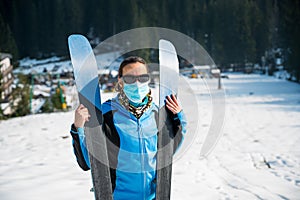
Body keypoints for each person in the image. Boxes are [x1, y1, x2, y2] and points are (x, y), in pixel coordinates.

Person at [70, 56, 187, 200]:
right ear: (120, 81)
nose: (137, 84)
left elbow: (169, 151)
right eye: (130, 78)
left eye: (142, 78)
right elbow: (88, 162)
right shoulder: (106, 115)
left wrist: (179, 116)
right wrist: (78, 128)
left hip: (153, 196)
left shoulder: (156, 114)